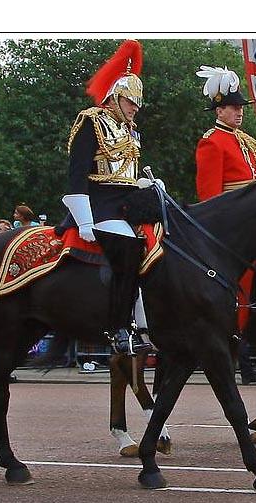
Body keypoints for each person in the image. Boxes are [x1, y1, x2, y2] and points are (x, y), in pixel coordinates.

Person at [60, 39, 154, 356]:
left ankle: (152, 321)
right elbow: (77, 173)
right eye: (131, 101)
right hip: (99, 205)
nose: (135, 108)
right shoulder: (91, 120)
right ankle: (120, 327)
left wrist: (148, 185)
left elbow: (127, 174)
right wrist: (84, 218)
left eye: (138, 104)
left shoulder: (130, 130)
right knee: (129, 250)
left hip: (128, 203)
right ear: (115, 96)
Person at [195, 64, 256, 383]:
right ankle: (238, 356)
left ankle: (252, 349)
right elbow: (210, 196)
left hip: (254, 227)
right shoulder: (212, 143)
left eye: (240, 107)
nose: (239, 112)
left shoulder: (248, 143)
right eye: (233, 107)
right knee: (238, 295)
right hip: (231, 231)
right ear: (219, 109)